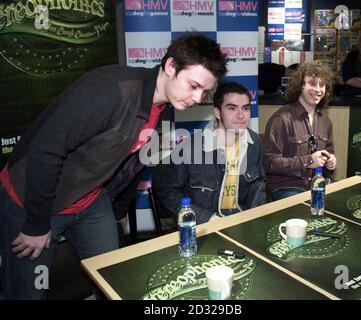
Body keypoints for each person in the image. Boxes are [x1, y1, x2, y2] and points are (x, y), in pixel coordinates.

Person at [0, 33, 227, 299]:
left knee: (112, 278)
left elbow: (137, 163)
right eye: (194, 85)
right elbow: (46, 149)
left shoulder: (166, 108)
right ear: (170, 67)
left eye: (205, 92)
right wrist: (36, 225)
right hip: (32, 198)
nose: (198, 98)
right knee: (29, 291)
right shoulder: (110, 90)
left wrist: (117, 210)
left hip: (89, 200)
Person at [153, 82, 266, 224]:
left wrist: (257, 215)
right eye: (232, 108)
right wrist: (205, 218)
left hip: (242, 221)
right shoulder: (191, 148)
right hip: (205, 225)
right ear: (217, 112)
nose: (241, 115)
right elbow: (167, 191)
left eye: (246, 108)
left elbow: (258, 183)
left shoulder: (254, 143)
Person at [263, 61, 337, 201]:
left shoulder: (326, 122)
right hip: (287, 186)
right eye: (312, 83)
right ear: (300, 86)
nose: (318, 89)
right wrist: (308, 161)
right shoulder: (282, 118)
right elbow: (269, 163)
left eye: (322, 85)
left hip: (316, 183)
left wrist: (330, 162)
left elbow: (328, 155)